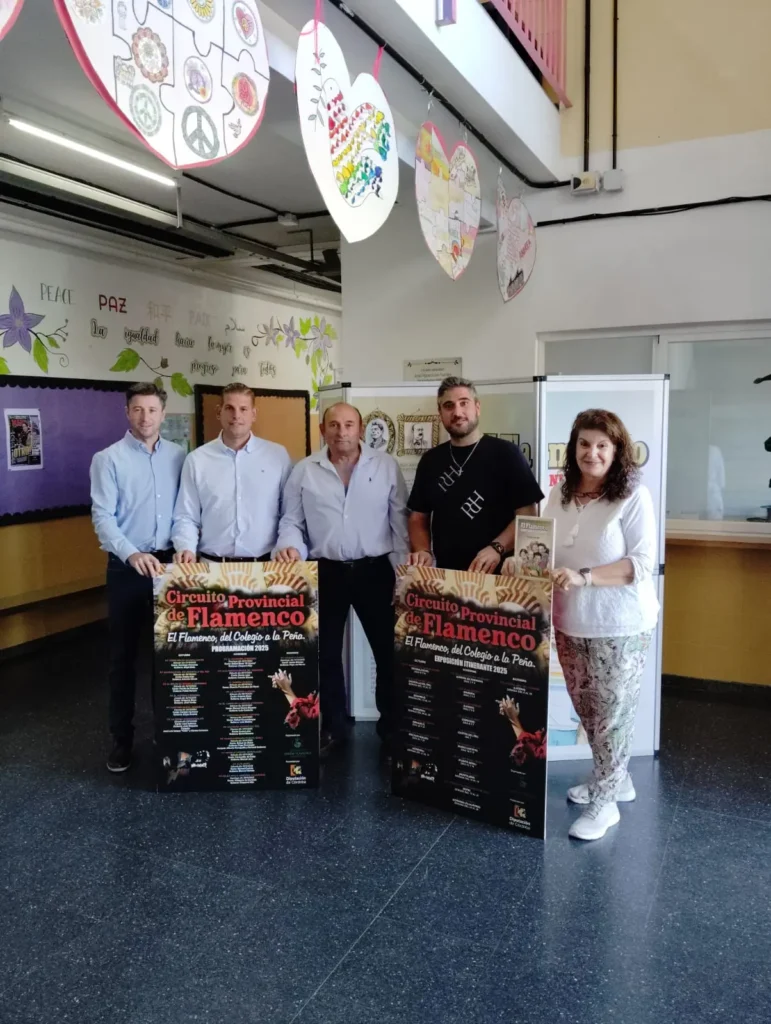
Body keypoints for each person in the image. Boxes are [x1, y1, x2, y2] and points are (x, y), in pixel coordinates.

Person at [506, 409, 659, 841]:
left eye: (602, 445)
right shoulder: (561, 494)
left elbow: (642, 565)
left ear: (617, 451)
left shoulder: (632, 496)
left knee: (611, 713)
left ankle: (607, 802)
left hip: (619, 623)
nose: (592, 453)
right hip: (569, 620)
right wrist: (525, 562)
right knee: (588, 709)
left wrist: (586, 576)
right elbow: (547, 550)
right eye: (584, 444)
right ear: (573, 449)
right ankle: (613, 777)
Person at [274, 403, 409, 755]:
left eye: (349, 424)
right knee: (326, 655)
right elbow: (291, 521)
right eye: (333, 425)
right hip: (326, 571)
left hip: (375, 570)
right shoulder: (305, 471)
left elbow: (400, 525)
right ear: (322, 430)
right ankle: (333, 727)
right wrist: (289, 546)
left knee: (387, 652)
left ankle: (391, 728)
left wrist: (403, 576)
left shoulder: (385, 467)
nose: (341, 431)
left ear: (360, 428)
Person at [90, 382, 185, 773]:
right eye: (137, 409)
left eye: (152, 410)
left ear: (163, 414)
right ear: (127, 413)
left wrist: (181, 545)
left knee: (170, 656)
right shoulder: (108, 459)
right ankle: (122, 741)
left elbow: (185, 510)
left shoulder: (181, 457)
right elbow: (102, 517)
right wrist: (132, 553)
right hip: (127, 567)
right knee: (123, 659)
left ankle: (170, 735)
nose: (145, 417)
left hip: (169, 567)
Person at [407, 376, 543, 572]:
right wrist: (423, 551)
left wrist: (497, 547)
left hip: (499, 577)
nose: (457, 412)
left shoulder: (506, 454)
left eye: (464, 403)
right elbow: (417, 519)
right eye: (449, 406)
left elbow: (528, 515)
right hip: (446, 579)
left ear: (477, 407)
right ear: (440, 413)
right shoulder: (430, 461)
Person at [172, 384, 291, 563]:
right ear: (219, 412)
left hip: (266, 569)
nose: (236, 415)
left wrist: (287, 545)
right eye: (230, 408)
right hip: (211, 569)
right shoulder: (197, 460)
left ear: (254, 414)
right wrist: (185, 547)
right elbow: (186, 516)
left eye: (243, 409)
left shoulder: (278, 456)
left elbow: (290, 513)